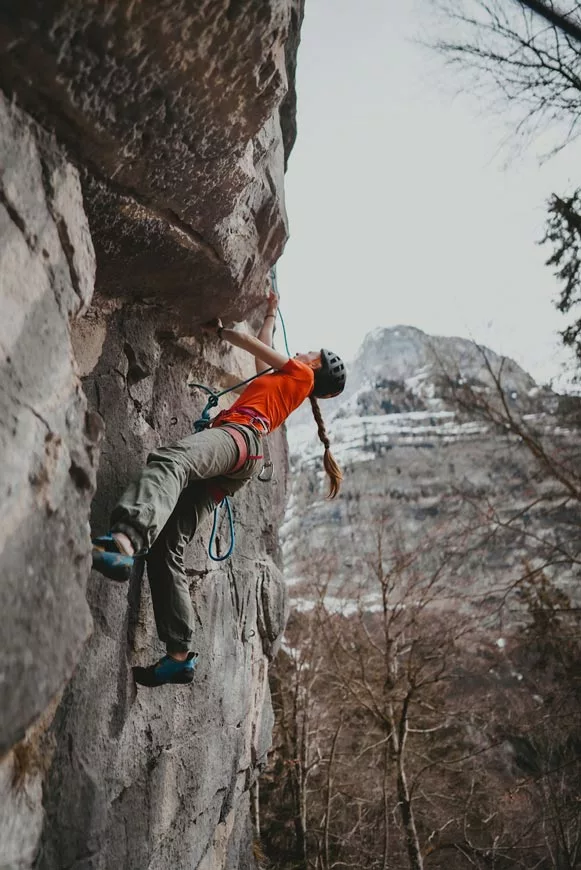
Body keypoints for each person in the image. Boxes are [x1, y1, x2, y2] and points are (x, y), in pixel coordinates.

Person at [91, 291, 346, 687]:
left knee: (172, 461)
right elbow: (264, 357)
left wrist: (223, 331)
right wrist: (270, 314)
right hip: (246, 457)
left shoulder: (304, 374)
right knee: (168, 545)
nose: (305, 351)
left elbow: (252, 347)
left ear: (316, 364)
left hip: (239, 438)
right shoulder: (290, 381)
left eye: (312, 351)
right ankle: (177, 655)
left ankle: (124, 542)